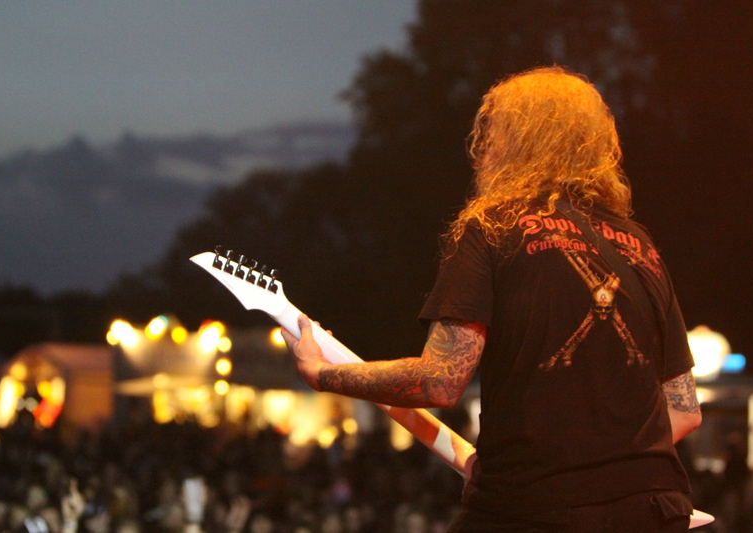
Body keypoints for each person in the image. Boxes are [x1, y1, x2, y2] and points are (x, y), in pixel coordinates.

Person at [283, 66, 702, 532]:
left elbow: (441, 380)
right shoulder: (638, 244)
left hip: (536, 509)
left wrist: (324, 374)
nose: (482, 149)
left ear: (511, 140)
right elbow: (683, 410)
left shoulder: (495, 228)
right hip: (657, 509)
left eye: (491, 132)